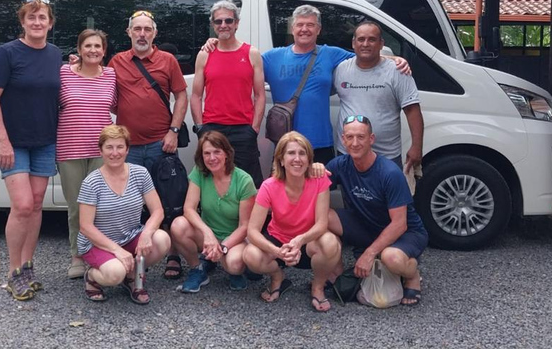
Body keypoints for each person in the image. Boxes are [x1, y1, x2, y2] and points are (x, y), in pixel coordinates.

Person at [0, 0, 61, 301]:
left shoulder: (55, 55)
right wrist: (2, 140)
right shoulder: (7, 53)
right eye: (32, 18)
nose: (37, 22)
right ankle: (14, 271)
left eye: (42, 17)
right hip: (12, 142)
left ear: (50, 23)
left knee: (38, 203)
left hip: (44, 139)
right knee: (23, 205)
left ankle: (29, 266)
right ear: (23, 22)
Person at [261, 4, 409, 164]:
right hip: (286, 143)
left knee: (322, 189)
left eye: (310, 25)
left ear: (318, 29)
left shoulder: (331, 54)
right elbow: (242, 76)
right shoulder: (271, 58)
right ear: (292, 28)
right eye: (300, 25)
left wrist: (395, 59)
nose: (305, 29)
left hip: (321, 143)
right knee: (287, 188)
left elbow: (365, 56)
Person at [108, 9, 189, 279]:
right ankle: (129, 254)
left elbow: (181, 96)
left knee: (170, 201)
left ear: (155, 34)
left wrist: (174, 131)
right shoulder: (116, 61)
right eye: (137, 29)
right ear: (129, 32)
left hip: (160, 144)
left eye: (147, 29)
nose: (142, 34)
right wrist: (74, 67)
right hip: (127, 149)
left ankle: (173, 255)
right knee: (127, 203)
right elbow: (98, 85)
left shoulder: (167, 60)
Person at [327, 115, 428, 306]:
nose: (355, 143)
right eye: (349, 137)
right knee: (322, 216)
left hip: (405, 232)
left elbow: (400, 223)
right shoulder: (339, 165)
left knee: (392, 258)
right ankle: (336, 274)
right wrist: (314, 170)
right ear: (343, 139)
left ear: (371, 139)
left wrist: (369, 253)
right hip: (367, 226)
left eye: (361, 137)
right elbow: (312, 189)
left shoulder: (389, 173)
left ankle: (412, 274)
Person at [243, 132, 341, 311]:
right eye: (291, 153)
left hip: (307, 241)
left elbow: (321, 224)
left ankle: (317, 287)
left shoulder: (319, 180)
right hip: (279, 242)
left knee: (330, 242)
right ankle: (278, 277)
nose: (297, 159)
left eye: (302, 153)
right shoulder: (269, 186)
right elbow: (252, 231)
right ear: (281, 159)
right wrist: (278, 252)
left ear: (309, 158)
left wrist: (299, 240)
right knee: (250, 254)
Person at [77, 125, 171, 304]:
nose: (115, 153)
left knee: (162, 239)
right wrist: (116, 250)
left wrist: (146, 234)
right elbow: (85, 226)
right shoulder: (91, 182)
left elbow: (158, 211)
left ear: (127, 149)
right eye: (109, 147)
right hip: (97, 243)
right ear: (101, 150)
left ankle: (132, 276)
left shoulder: (140, 174)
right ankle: (92, 277)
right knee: (114, 274)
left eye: (120, 147)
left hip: (130, 236)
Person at [57, 29, 117, 279]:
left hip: (101, 153)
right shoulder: (63, 73)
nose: (93, 50)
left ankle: (99, 256)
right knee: (76, 208)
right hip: (69, 150)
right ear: (79, 49)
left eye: (98, 46)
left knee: (101, 208)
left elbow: (118, 106)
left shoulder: (112, 75)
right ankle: (77, 257)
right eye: (88, 46)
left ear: (104, 51)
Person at [191, 0, 266, 186]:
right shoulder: (205, 54)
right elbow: (196, 95)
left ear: (237, 23)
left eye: (228, 21)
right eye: (218, 21)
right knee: (212, 181)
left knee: (248, 182)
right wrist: (201, 128)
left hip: (243, 129)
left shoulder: (251, 53)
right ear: (213, 25)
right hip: (212, 128)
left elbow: (260, 95)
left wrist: (254, 128)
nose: (223, 25)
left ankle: (250, 217)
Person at [170, 131, 257, 293]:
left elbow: (245, 226)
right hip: (207, 235)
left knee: (234, 265)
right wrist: (207, 233)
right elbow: (189, 208)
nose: (212, 158)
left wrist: (223, 247)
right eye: (207, 153)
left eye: (217, 152)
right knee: (178, 225)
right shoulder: (199, 173)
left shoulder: (244, 180)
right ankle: (198, 268)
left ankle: (229, 267)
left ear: (227, 153)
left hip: (233, 238)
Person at [334, 21, 424, 172]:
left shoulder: (398, 71)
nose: (366, 44)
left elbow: (412, 110)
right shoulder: (341, 69)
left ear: (381, 44)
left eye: (372, 39)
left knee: (389, 196)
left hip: (387, 155)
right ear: (353, 43)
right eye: (361, 39)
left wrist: (416, 147)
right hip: (349, 153)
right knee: (350, 196)